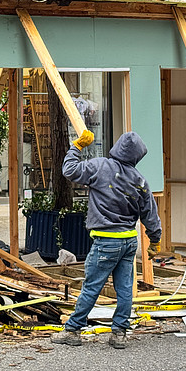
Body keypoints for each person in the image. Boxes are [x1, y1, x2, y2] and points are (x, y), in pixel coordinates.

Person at [51, 130, 161, 350]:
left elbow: (69, 170)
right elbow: (150, 213)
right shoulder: (139, 180)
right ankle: (119, 333)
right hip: (129, 242)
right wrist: (155, 240)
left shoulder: (100, 167)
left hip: (106, 241)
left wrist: (77, 147)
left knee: (91, 287)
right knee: (124, 288)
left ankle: (73, 330)